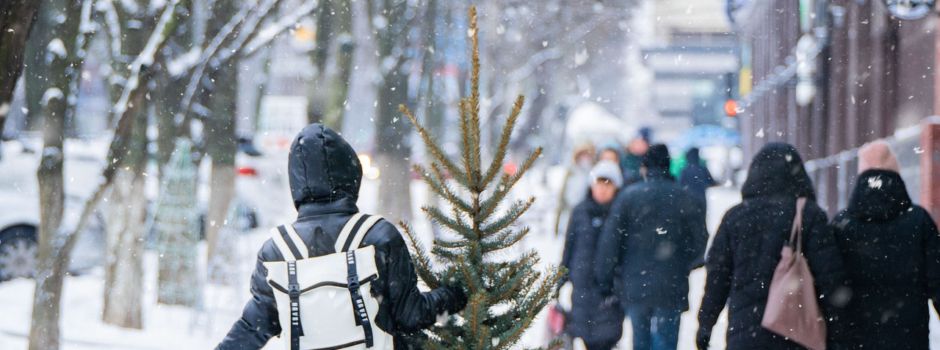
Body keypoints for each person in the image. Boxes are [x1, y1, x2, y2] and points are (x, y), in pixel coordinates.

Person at [216, 124, 467, 350]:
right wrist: (458, 293)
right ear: (351, 173)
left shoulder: (277, 251)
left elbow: (251, 329)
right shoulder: (378, 236)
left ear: (297, 182)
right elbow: (412, 315)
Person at [696, 142, 846, 350]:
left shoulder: (735, 218)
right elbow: (829, 277)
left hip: (745, 335)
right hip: (796, 333)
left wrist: (706, 324)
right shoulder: (809, 216)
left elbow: (717, 278)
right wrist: (838, 330)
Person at [595, 144, 708, 350]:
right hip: (672, 284)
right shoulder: (684, 197)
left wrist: (605, 280)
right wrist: (683, 264)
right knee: (666, 339)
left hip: (636, 284)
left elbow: (610, 242)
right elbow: (699, 241)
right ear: (668, 167)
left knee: (641, 338)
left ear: (644, 168)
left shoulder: (628, 197)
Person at [830, 140, 940, 350]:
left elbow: (829, 282)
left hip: (855, 340)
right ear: (897, 173)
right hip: (908, 339)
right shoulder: (918, 221)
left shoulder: (842, 225)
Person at [560, 160, 625, 350]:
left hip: (609, 292)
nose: (602, 189)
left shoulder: (621, 213)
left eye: (608, 184)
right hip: (582, 287)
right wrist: (561, 278)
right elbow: (569, 248)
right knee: (584, 336)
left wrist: (618, 283)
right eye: (599, 183)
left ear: (616, 187)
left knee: (606, 339)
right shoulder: (580, 211)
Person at [554, 142, 596, 236]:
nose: (585, 158)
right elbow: (563, 195)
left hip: (586, 213)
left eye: (587, 155)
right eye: (583, 155)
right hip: (569, 212)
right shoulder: (571, 171)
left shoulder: (594, 173)